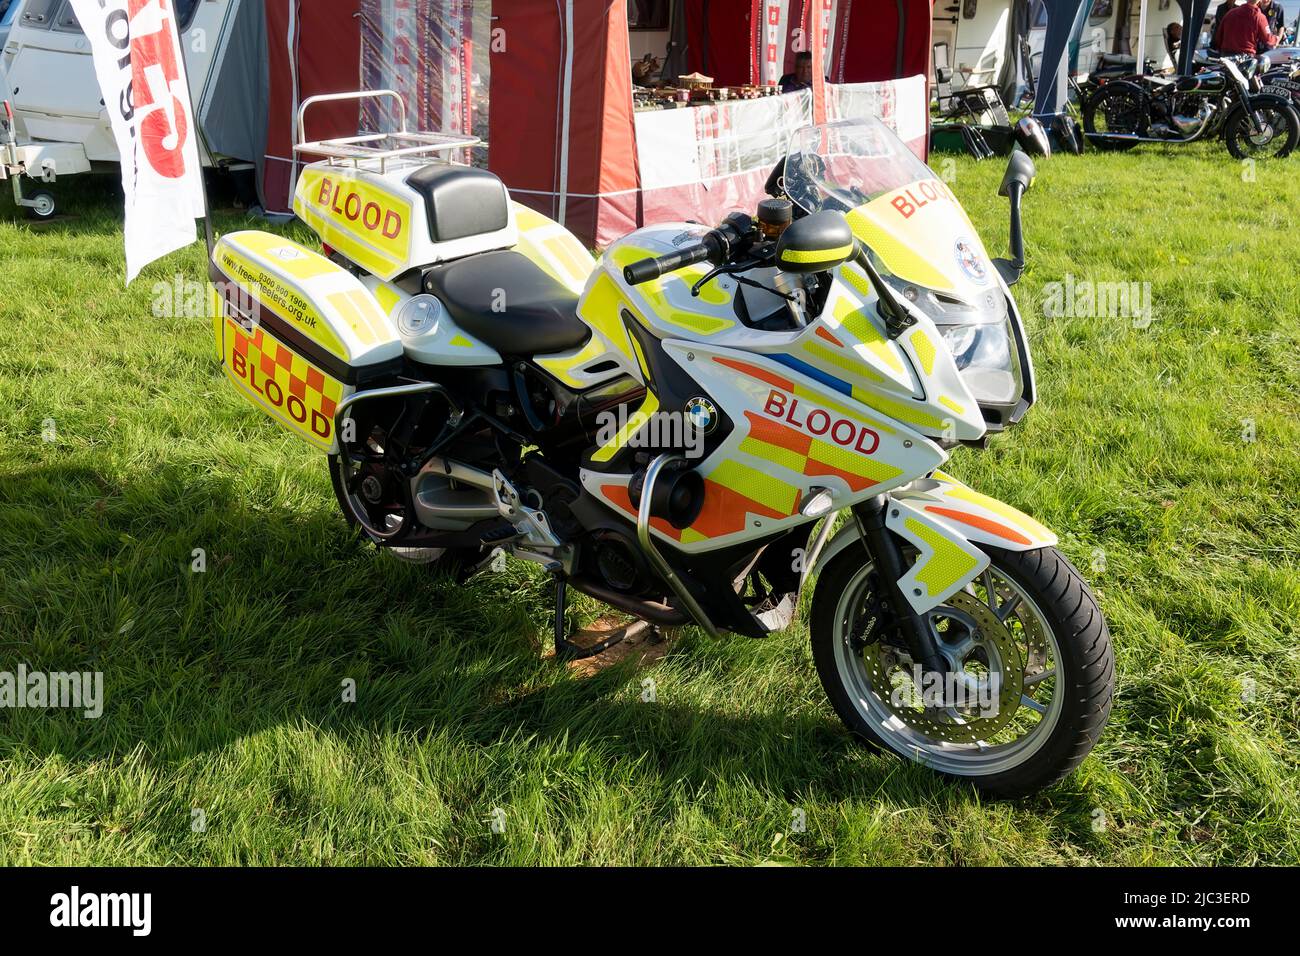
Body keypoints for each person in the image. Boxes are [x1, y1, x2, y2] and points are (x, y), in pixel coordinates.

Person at [1214, 0, 1278, 55]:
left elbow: (1218, 37)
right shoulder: (1259, 17)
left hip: (1225, 57)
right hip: (1246, 59)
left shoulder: (1230, 13)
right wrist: (1276, 39)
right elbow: (1268, 40)